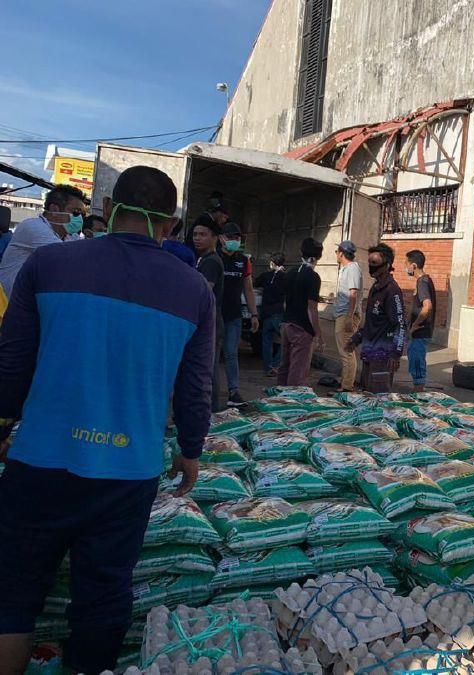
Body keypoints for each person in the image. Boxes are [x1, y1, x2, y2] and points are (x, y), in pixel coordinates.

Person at [0, 166, 213, 673]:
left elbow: (12, 360)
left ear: (109, 207)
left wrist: (4, 425)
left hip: (40, 461)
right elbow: (195, 385)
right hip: (128, 470)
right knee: (102, 595)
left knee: (13, 592)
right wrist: (191, 448)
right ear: (170, 224)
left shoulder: (50, 265)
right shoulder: (192, 289)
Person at [0, 185, 87, 298]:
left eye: (82, 214)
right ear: (54, 210)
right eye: (75, 212)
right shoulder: (33, 226)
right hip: (6, 305)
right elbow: (69, 260)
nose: (79, 218)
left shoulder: (70, 236)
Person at [349, 243, 407, 393]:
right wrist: (357, 338)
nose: (371, 267)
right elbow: (372, 322)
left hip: (383, 356)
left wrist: (396, 353)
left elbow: (400, 324)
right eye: (369, 263)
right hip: (369, 353)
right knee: (367, 395)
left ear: (387, 265)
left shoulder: (392, 291)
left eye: (374, 263)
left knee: (379, 399)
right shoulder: (375, 288)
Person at [219, 222, 259, 405]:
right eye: (230, 237)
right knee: (208, 354)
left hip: (233, 316)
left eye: (237, 238)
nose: (234, 241)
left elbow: (248, 289)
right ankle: (206, 391)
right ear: (221, 238)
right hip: (213, 315)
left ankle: (233, 392)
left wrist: (254, 314)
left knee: (230, 353)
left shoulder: (244, 261)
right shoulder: (213, 257)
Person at [279, 238, 324, 386]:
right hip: (302, 328)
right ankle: (292, 402)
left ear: (301, 253)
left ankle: (278, 399)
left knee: (285, 365)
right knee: (298, 369)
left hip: (286, 324)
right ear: (318, 257)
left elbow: (286, 301)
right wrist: (317, 333)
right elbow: (311, 307)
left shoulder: (290, 273)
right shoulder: (313, 277)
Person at [193, 220, 225, 411]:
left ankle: (211, 412)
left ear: (214, 238)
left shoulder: (211, 261)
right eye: (195, 234)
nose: (197, 238)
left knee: (208, 370)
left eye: (203, 234)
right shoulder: (204, 259)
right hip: (209, 321)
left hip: (210, 323)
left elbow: (203, 292)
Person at [405, 249, 436, 392]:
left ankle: (418, 393)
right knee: (415, 358)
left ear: (414, 265)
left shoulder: (422, 282)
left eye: (407, 264)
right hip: (421, 331)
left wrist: (415, 326)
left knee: (417, 361)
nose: (406, 267)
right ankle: (417, 390)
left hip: (421, 331)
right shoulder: (424, 281)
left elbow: (427, 306)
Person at [333, 240, 363, 391]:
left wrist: (350, 317)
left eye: (337, 252)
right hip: (343, 313)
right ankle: (345, 381)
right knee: (344, 350)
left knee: (346, 351)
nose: (336, 255)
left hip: (347, 314)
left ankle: (347, 386)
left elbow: (353, 294)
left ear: (342, 253)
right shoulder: (346, 269)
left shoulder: (352, 269)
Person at [254, 252, 287, 376]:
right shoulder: (286, 277)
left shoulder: (266, 275)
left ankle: (267, 368)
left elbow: (256, 283)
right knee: (285, 340)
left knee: (266, 341)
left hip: (266, 313)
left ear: (272, 263)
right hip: (278, 313)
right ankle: (275, 365)